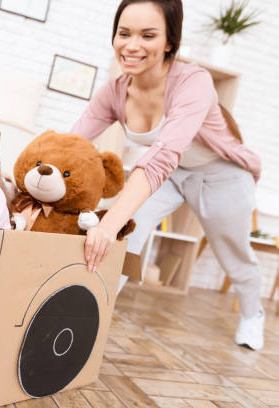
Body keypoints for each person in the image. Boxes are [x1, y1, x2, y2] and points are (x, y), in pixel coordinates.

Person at [71, 0, 264, 350]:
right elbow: (70, 144)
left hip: (221, 175)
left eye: (148, 35)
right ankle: (92, 314)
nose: (132, 45)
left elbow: (161, 155)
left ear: (170, 42)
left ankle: (253, 315)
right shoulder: (114, 92)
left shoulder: (194, 81)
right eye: (124, 33)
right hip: (173, 176)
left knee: (233, 254)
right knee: (129, 233)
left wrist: (109, 220)